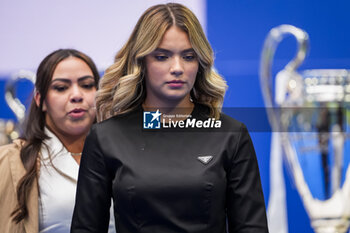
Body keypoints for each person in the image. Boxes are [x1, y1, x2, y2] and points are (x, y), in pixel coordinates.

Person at [71, 3, 268, 233]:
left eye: (188, 56)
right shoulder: (106, 137)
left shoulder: (230, 134)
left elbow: (252, 228)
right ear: (141, 61)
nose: (177, 68)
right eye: (162, 56)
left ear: (200, 62)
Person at [0, 49, 115, 233]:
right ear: (40, 99)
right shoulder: (10, 161)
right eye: (61, 87)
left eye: (86, 85)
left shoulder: (122, 152)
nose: (77, 95)